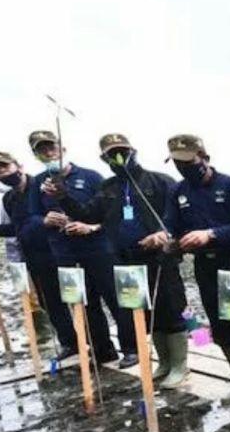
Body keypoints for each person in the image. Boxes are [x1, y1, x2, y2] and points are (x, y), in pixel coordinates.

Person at [52, 134, 191, 387]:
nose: (119, 156)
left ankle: (181, 365)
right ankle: (164, 362)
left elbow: (180, 216)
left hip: (160, 258)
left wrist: (166, 236)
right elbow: (87, 213)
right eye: (112, 153)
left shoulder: (159, 181)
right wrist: (64, 197)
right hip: (126, 261)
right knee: (146, 314)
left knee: (171, 310)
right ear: (104, 158)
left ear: (133, 151)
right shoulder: (108, 188)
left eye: (123, 151)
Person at [154, 134, 230, 402]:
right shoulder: (178, 191)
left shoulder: (229, 185)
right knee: (220, 322)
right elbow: (170, 223)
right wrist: (164, 235)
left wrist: (210, 234)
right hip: (204, 263)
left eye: (188, 161)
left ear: (204, 158)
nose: (183, 167)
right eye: (177, 162)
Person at [29, 130, 137, 366]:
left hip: (98, 248)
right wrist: (45, 220)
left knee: (116, 299)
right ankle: (102, 350)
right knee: (84, 304)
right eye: (42, 149)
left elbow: (111, 212)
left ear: (62, 148)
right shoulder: (38, 183)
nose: (49, 152)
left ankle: (131, 348)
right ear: (36, 155)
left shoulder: (91, 177)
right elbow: (32, 217)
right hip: (64, 251)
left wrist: (92, 227)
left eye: (52, 147)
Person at [0, 151, 77, 358]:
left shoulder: (42, 187)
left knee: (77, 300)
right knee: (49, 303)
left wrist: (41, 222)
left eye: (4, 167)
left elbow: (58, 217)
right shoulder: (10, 198)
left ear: (19, 166)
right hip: (35, 259)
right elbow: (17, 227)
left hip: (59, 254)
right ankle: (70, 343)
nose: (1, 173)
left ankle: (97, 345)